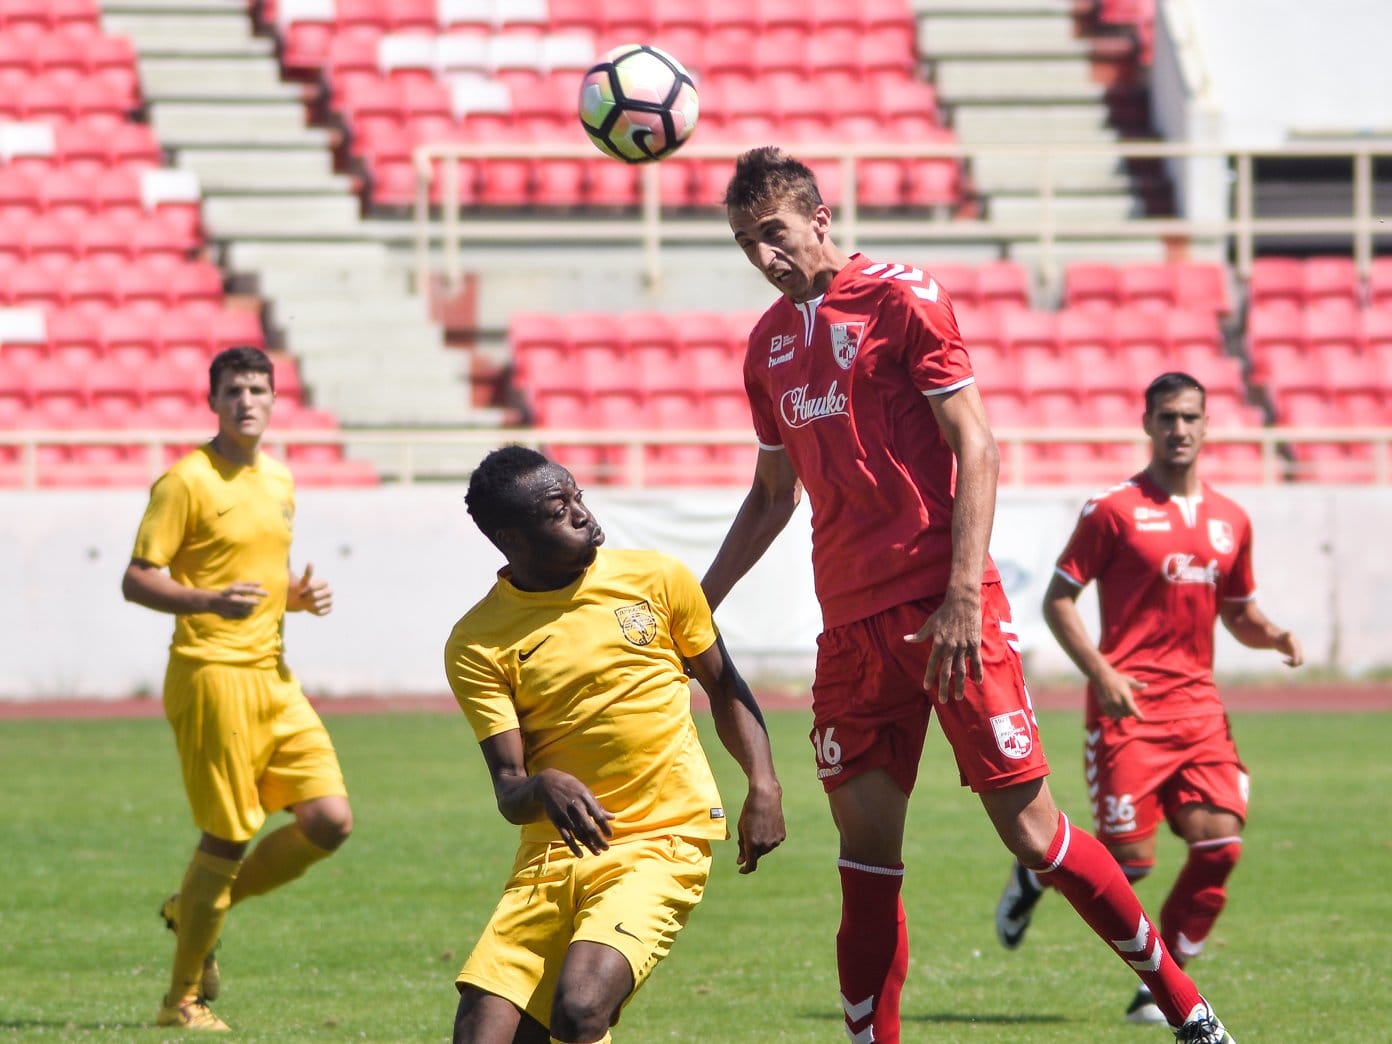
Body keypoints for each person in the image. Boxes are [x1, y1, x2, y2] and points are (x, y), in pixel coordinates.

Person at [703, 147, 1235, 1044]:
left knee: (1031, 836)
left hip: (946, 610)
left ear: (819, 219)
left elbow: (977, 447)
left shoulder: (904, 297)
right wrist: (699, 600)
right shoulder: (767, 347)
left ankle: (1187, 1007)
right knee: (865, 863)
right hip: (851, 626)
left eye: (775, 235)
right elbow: (770, 495)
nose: (764, 258)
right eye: (746, 244)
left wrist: (960, 595)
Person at [443, 446, 785, 1044]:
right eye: (559, 509)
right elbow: (508, 790)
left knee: (580, 1008)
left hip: (662, 839)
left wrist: (764, 782)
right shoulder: (477, 642)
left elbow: (724, 685)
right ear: (513, 539)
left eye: (577, 495)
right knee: (481, 1035)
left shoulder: (658, 578)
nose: (582, 513)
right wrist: (543, 787)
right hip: (550, 859)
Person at [994, 371, 1302, 1024]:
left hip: (1199, 711)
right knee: (1125, 866)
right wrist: (1102, 673)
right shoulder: (1113, 510)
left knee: (1220, 845)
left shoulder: (1230, 520)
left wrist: (1270, 632)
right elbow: (1057, 602)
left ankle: (1156, 992)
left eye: (1191, 417)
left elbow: (1239, 612)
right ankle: (1034, 876)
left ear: (1208, 424)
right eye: (1167, 418)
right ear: (1147, 425)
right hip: (1127, 710)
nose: (1180, 430)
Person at [122, 346, 353, 1032]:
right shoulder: (185, 482)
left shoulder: (279, 480)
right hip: (211, 675)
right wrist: (205, 601)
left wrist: (294, 599)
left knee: (329, 821)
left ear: (274, 399)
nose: (246, 400)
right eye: (233, 390)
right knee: (224, 838)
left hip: (274, 676)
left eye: (257, 389)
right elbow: (138, 578)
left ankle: (190, 910)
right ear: (213, 402)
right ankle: (179, 1001)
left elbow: (255, 577)